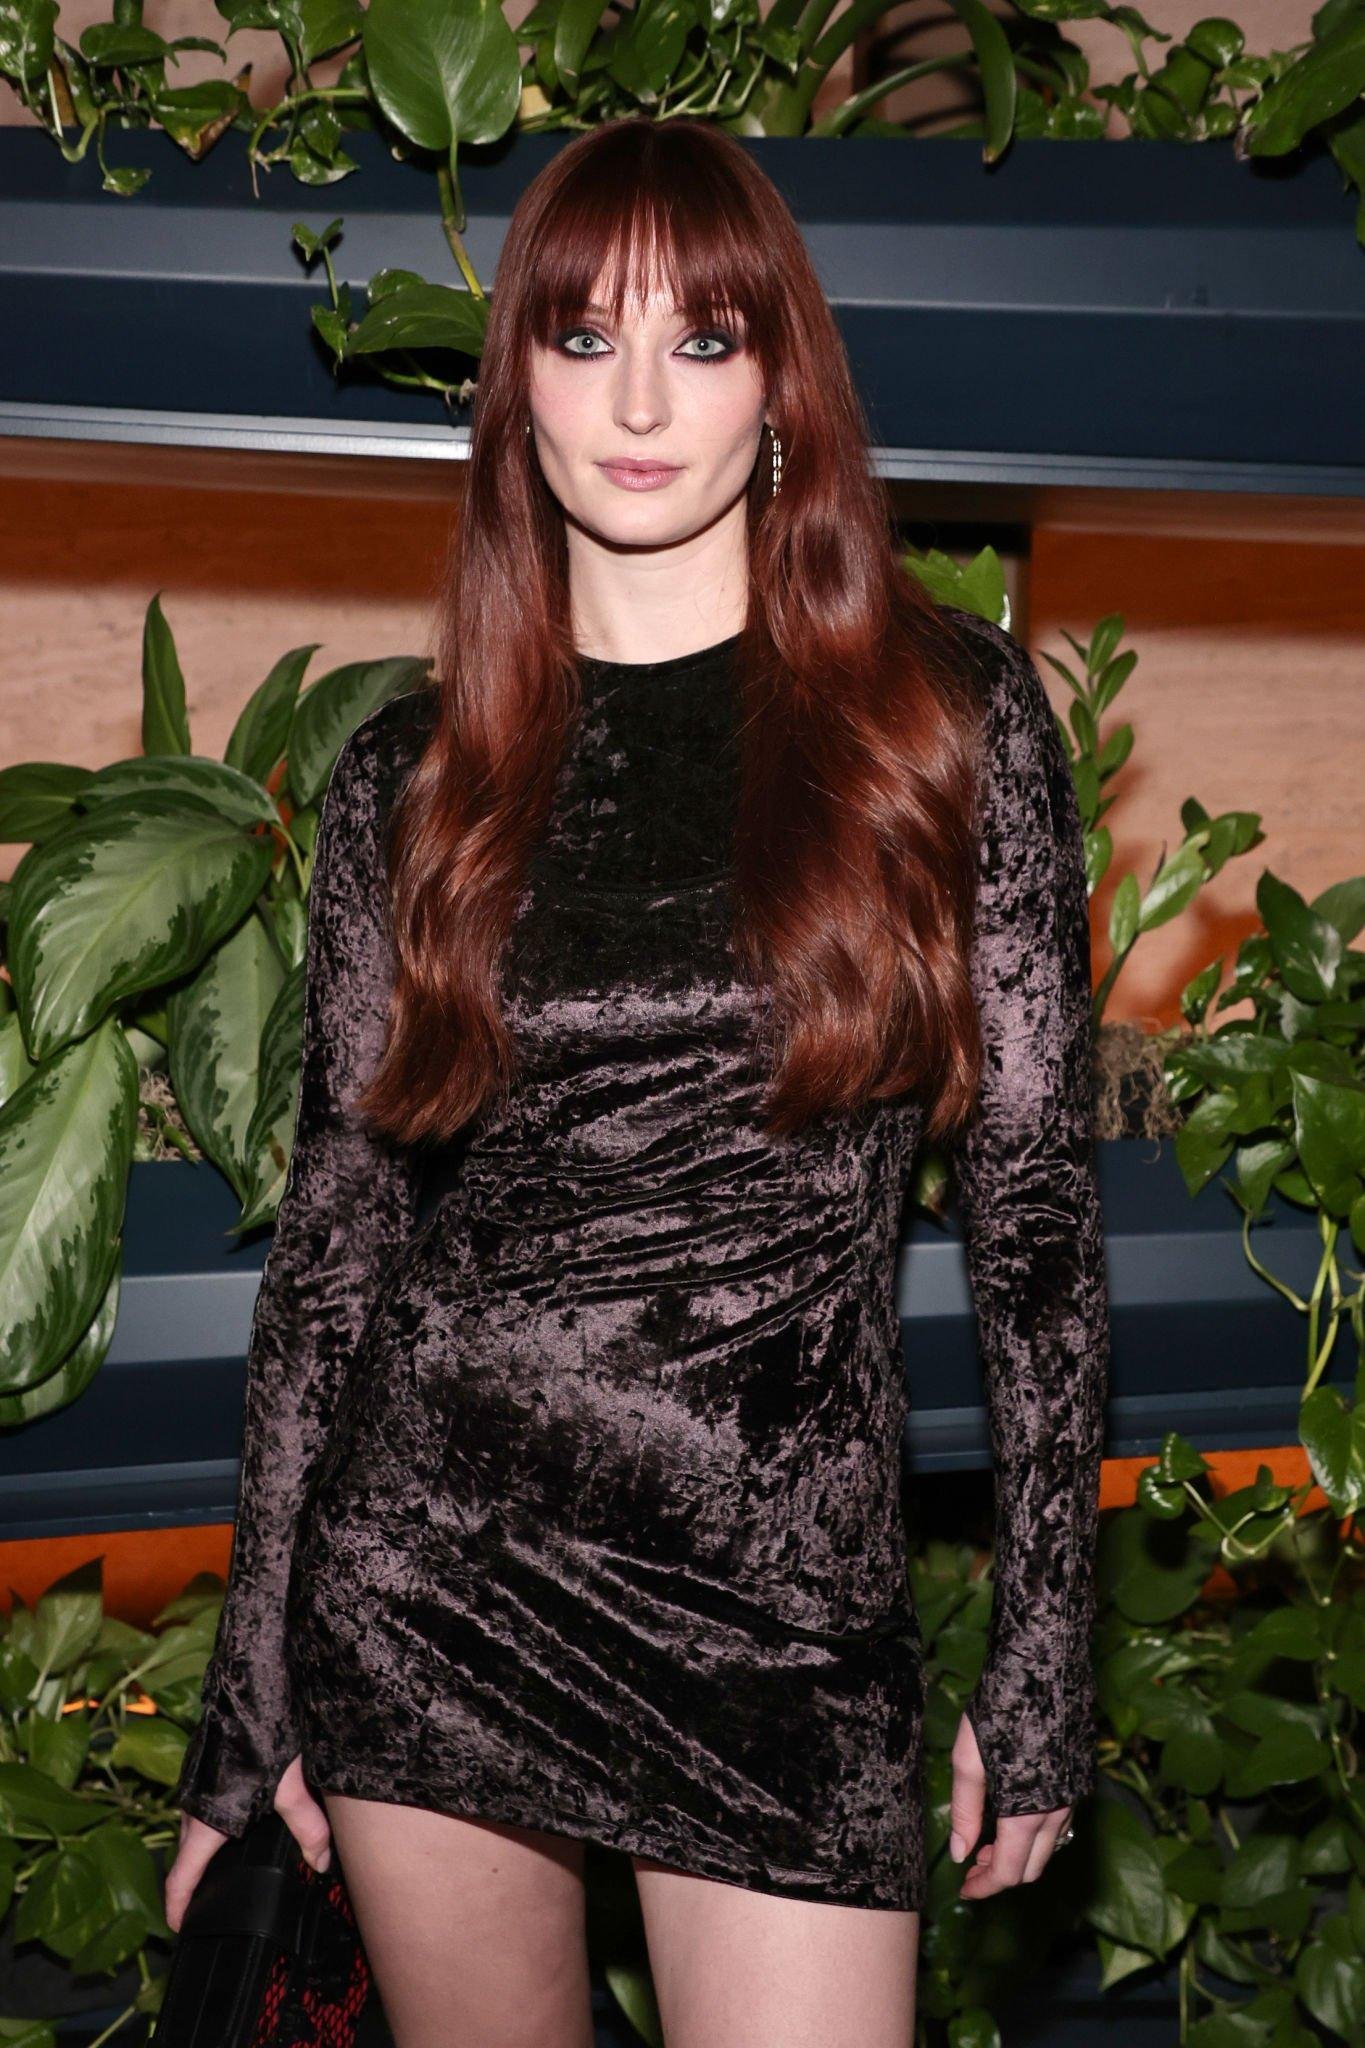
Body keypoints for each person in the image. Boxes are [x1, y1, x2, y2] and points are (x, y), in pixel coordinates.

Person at [162, 114, 1109, 2048]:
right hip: (430, 1579)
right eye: (584, 338)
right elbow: (339, 1244)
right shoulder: (412, 778)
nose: (642, 402)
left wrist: (1042, 1654)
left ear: (781, 383)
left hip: (786, 1615)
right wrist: (247, 1699)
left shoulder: (941, 721)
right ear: (514, 386)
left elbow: (1031, 1219)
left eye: (703, 339)